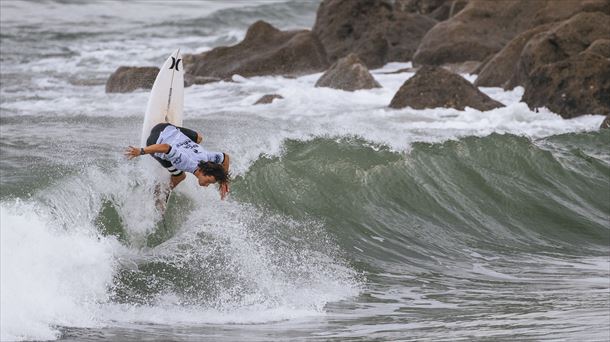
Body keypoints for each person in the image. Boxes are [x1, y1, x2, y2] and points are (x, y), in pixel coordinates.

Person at [125, 123, 230, 200]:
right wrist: (141, 151)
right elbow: (165, 147)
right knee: (180, 176)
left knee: (199, 138)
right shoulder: (185, 163)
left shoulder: (207, 157)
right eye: (208, 181)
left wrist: (223, 181)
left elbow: (225, 157)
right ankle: (159, 196)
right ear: (204, 172)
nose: (207, 185)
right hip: (154, 140)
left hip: (166, 127)